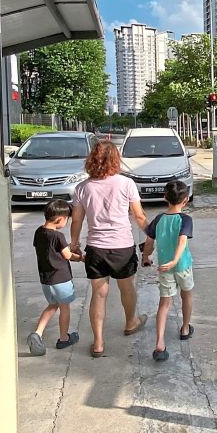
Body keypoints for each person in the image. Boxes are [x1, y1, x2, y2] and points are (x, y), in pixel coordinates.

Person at [70, 140, 149, 358]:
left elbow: (76, 221)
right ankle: (131, 322)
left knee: (99, 293)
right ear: (116, 159)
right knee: (127, 288)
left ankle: (98, 343)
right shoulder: (126, 184)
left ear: (91, 159)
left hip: (96, 248)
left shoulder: (82, 188)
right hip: (122, 247)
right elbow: (139, 215)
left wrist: (74, 243)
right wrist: (151, 234)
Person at [140, 179, 196, 362]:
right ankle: (185, 328)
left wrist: (146, 257)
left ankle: (159, 343)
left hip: (164, 268)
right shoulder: (185, 219)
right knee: (186, 296)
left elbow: (149, 242)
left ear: (165, 197)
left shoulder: (159, 219)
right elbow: (182, 240)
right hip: (182, 266)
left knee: (164, 304)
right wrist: (175, 260)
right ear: (185, 200)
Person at [28, 199, 83, 356]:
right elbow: (67, 255)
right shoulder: (58, 236)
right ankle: (64, 338)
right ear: (60, 218)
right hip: (61, 279)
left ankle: (37, 333)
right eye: (67, 219)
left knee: (52, 305)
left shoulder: (39, 232)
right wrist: (81, 258)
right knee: (64, 307)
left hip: (46, 279)